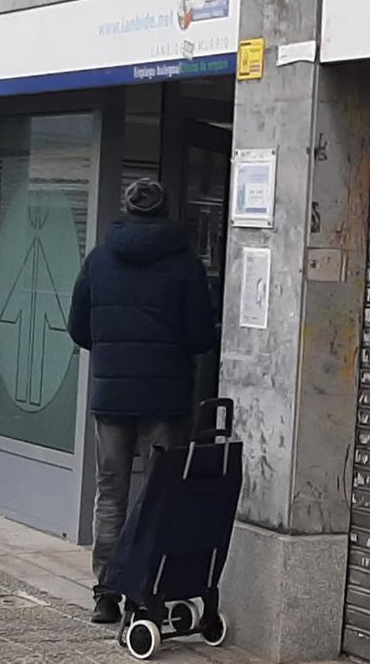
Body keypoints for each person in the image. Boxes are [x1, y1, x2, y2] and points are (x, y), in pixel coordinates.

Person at [68, 178, 218, 624]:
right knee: (159, 495)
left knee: (110, 492)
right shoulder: (186, 266)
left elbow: (78, 328)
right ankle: (146, 588)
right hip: (165, 400)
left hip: (112, 396)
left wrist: (116, 348)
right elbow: (200, 337)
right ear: (166, 210)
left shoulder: (98, 260)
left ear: (127, 208)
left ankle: (106, 593)